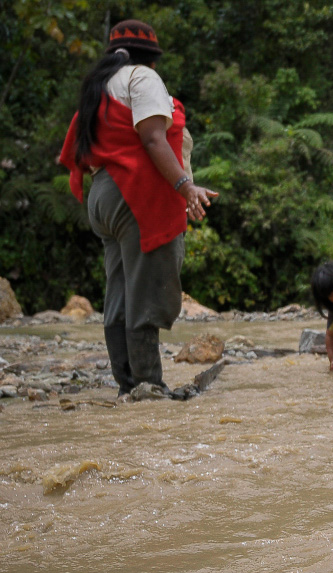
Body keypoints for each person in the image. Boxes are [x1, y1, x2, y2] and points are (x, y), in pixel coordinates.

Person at [59, 19, 218, 397]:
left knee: (121, 291)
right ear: (151, 58)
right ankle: (148, 384)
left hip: (103, 195)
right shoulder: (142, 79)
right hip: (134, 194)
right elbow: (151, 137)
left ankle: (127, 384)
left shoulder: (98, 88)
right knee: (146, 291)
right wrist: (185, 186)